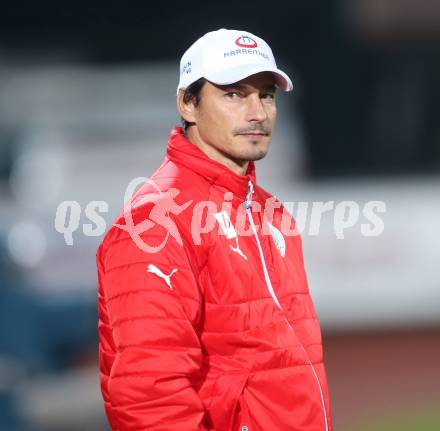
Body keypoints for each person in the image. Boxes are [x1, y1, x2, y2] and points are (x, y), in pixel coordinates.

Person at [96, 28, 332, 431]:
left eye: (266, 95)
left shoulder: (271, 213)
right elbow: (148, 394)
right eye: (234, 94)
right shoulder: (154, 222)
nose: (257, 112)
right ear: (188, 104)